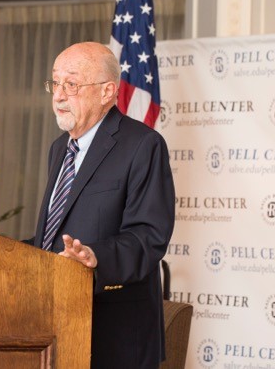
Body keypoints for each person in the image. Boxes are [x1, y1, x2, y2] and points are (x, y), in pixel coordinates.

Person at [30, 41, 175, 368]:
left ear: (108, 92)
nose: (58, 95)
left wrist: (96, 256)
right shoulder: (59, 149)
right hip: (58, 329)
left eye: (72, 84)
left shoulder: (143, 145)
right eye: (55, 83)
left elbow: (148, 238)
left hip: (116, 336)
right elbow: (53, 235)